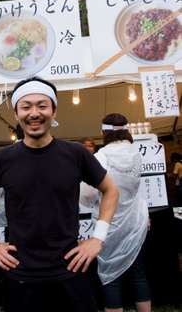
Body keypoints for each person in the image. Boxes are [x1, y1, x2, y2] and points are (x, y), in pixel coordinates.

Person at [0, 76, 119, 312]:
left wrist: (98, 237)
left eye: (42, 105)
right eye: (26, 106)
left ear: (54, 111)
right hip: (21, 273)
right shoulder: (3, 159)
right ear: (16, 113)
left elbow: (111, 189)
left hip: (71, 269)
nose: (34, 113)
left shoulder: (75, 154)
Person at [80, 113, 151, 312]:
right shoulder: (136, 153)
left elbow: (86, 194)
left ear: (103, 132)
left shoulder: (100, 157)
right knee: (138, 273)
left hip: (109, 222)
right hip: (136, 220)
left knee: (110, 275)